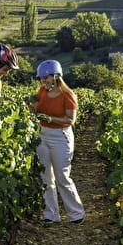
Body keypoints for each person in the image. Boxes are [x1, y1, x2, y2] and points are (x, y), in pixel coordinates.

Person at [30, 59, 85, 225]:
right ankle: (50, 214)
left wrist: (50, 118)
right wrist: (29, 106)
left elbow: (70, 120)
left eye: (46, 78)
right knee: (45, 175)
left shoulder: (68, 95)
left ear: (56, 77)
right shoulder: (40, 91)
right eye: (41, 79)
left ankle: (76, 213)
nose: (43, 81)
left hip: (61, 136)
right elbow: (34, 110)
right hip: (42, 135)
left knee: (62, 176)